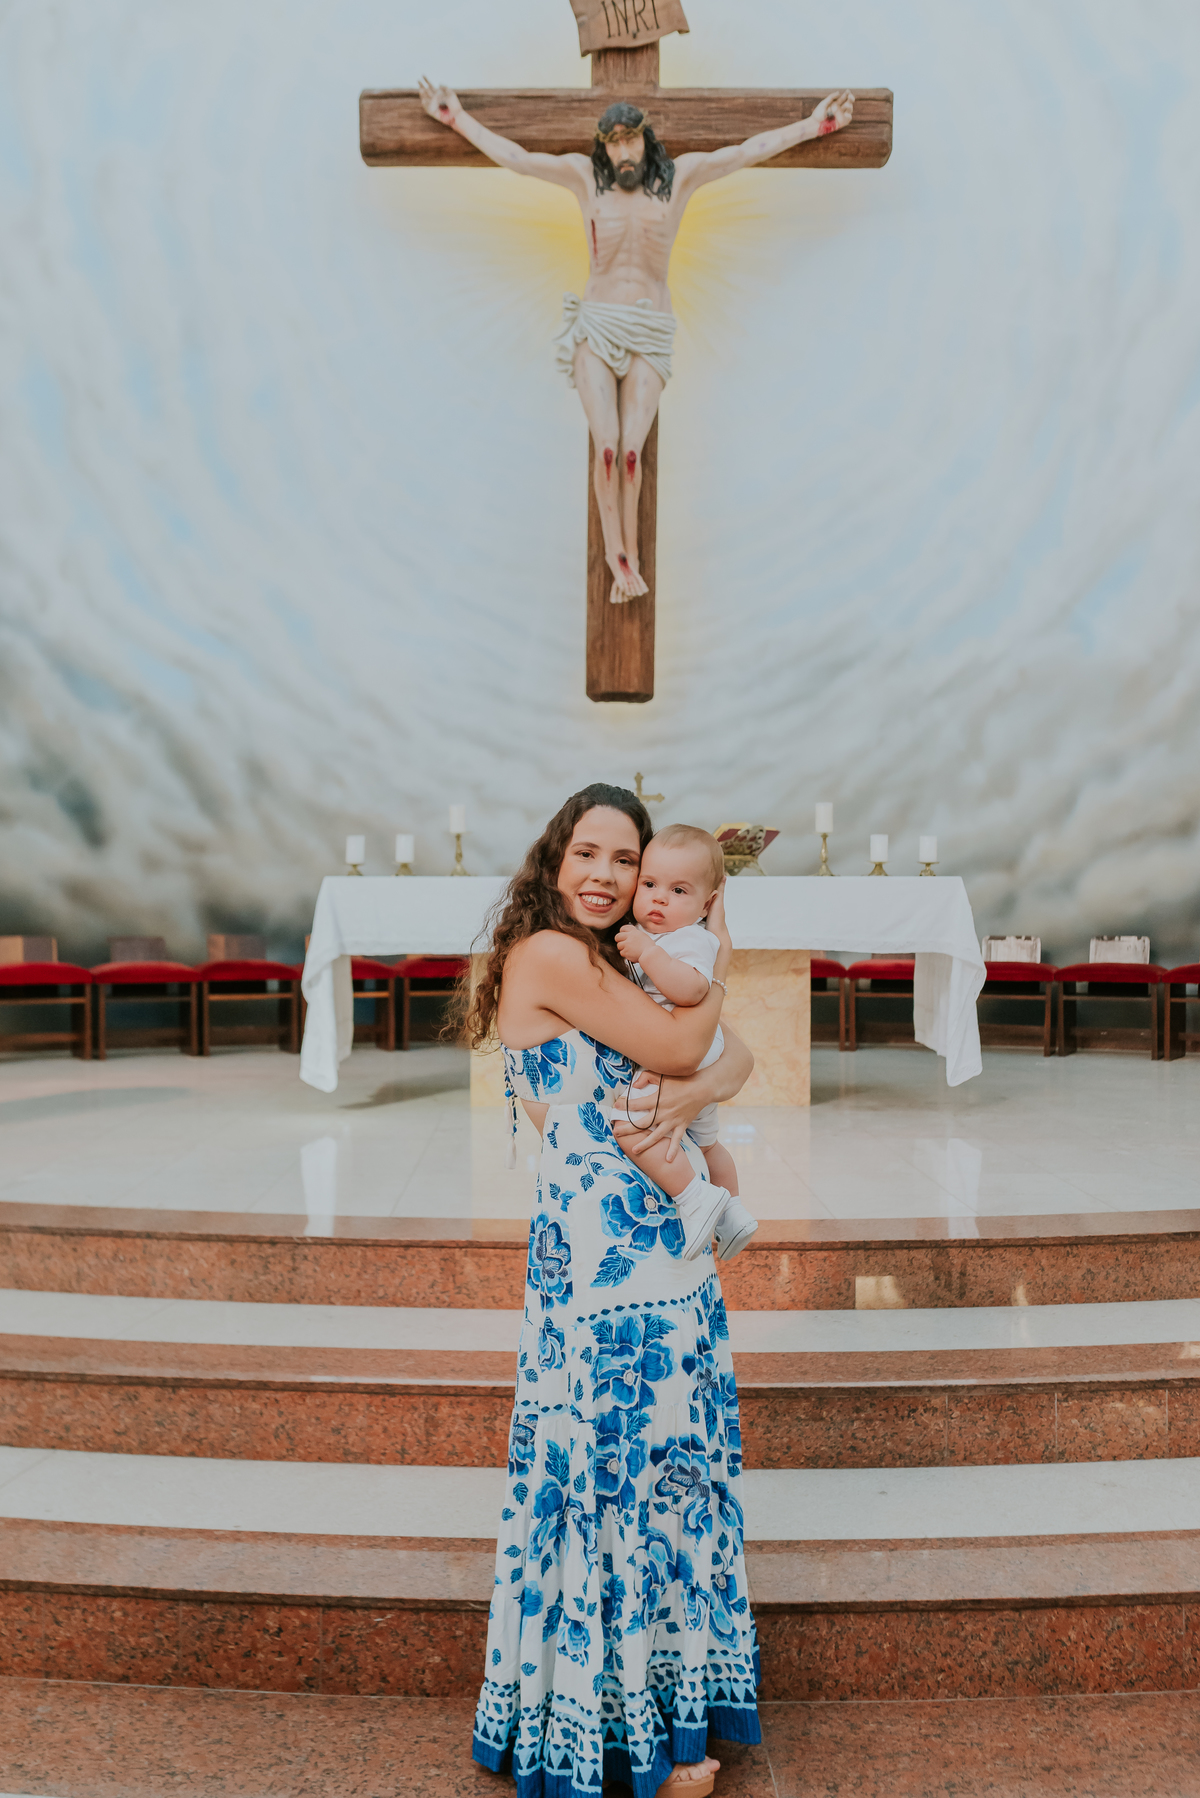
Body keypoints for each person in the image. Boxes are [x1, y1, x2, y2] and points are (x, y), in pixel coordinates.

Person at [464, 782, 760, 1798]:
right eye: (585, 853)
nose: (604, 874)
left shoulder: (619, 960)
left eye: (625, 859)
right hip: (602, 1260)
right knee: (613, 1469)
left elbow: (732, 1058)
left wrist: (705, 1070)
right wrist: (719, 971)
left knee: (666, 1466)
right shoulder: (551, 955)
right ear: (555, 860)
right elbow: (689, 1046)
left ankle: (665, 1708)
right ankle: (621, 1734)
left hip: (663, 1251)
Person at [417, 78, 854, 603]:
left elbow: (744, 152)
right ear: (603, 147)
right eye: (613, 143)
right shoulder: (585, 179)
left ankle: (634, 560)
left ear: (646, 139)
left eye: (631, 140)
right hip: (598, 325)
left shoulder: (680, 179)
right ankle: (616, 556)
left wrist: (814, 126)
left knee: (629, 453)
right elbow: (520, 159)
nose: (623, 152)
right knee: (606, 447)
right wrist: (456, 118)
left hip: (649, 330)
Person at [614, 823, 758, 1262]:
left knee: (628, 1121)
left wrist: (648, 952)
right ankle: (733, 1212)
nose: (659, 898)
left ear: (706, 904)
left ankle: (696, 1198)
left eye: (678, 890)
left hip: (688, 1049)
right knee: (708, 1143)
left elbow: (694, 989)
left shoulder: (691, 939)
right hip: (701, 1049)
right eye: (650, 885)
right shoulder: (661, 934)